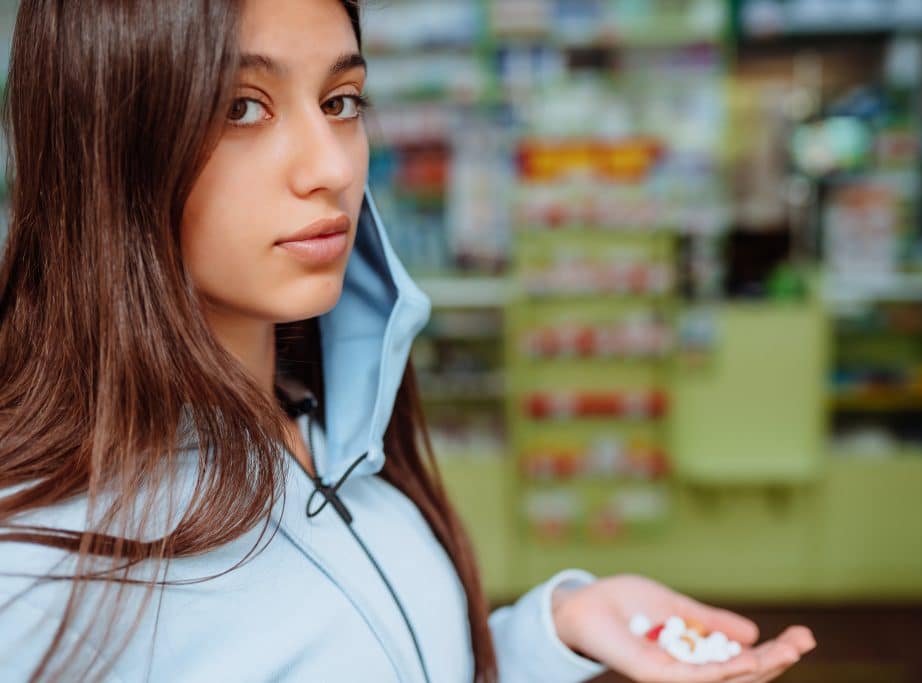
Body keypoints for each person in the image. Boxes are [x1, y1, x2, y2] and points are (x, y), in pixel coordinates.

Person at [0, 1, 816, 681]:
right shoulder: (36, 573)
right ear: (104, 142)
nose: (330, 166)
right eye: (240, 106)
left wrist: (552, 629)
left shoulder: (336, 430)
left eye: (341, 101)